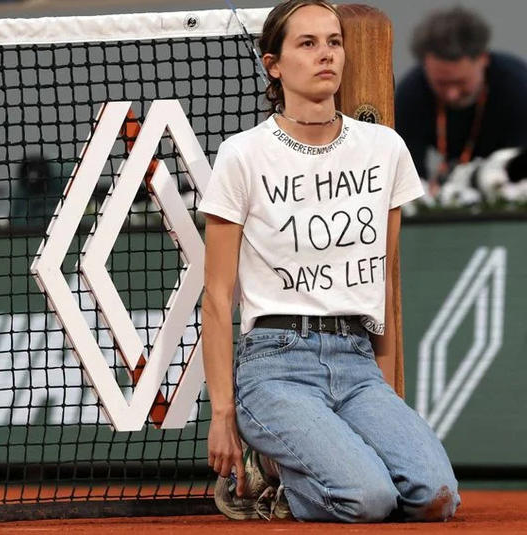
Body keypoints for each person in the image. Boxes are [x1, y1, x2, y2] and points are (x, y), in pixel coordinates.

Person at [199, 0, 460, 523]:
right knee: (369, 500)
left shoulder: (384, 149)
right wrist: (223, 414)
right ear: (273, 64)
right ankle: (271, 478)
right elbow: (216, 296)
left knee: (436, 495)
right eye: (308, 43)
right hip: (275, 367)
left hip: (356, 362)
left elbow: (382, 279)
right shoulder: (243, 155)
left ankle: (303, 471)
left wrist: (385, 392)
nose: (326, 55)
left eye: (334, 42)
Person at [395, 6, 527, 195]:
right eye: (441, 83)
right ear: (425, 66)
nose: (452, 94)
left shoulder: (518, 88)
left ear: (483, 59)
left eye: (460, 82)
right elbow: (408, 177)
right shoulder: (411, 93)